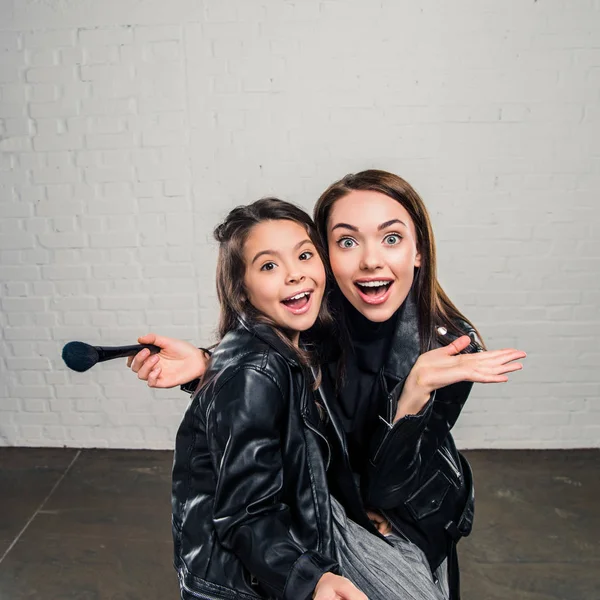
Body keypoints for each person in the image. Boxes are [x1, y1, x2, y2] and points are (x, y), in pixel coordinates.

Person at [130, 171, 526, 599]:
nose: (371, 260)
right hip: (324, 506)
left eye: (391, 239)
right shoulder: (312, 314)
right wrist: (212, 364)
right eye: (348, 241)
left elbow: (387, 489)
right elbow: (272, 385)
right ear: (326, 255)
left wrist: (414, 397)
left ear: (418, 251)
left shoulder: (448, 347)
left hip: (404, 511)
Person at [171, 197, 446, 600]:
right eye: (268, 266)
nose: (294, 275)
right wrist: (310, 578)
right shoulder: (255, 372)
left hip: (311, 521)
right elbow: (246, 515)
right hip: (252, 572)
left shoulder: (298, 348)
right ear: (241, 290)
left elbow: (311, 456)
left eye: (304, 255)